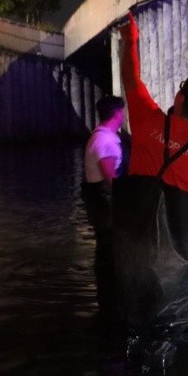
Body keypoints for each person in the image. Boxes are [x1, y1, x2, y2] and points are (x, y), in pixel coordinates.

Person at [114, 11, 188, 370]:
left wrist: (129, 38)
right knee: (165, 347)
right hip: (175, 274)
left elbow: (130, 77)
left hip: (131, 257)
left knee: (133, 335)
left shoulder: (146, 121)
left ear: (179, 97)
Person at [81, 94, 125, 315]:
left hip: (99, 201)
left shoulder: (100, 137)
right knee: (108, 245)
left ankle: (106, 289)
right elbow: (110, 176)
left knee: (105, 245)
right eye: (122, 112)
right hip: (105, 203)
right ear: (117, 113)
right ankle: (110, 292)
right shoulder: (105, 141)